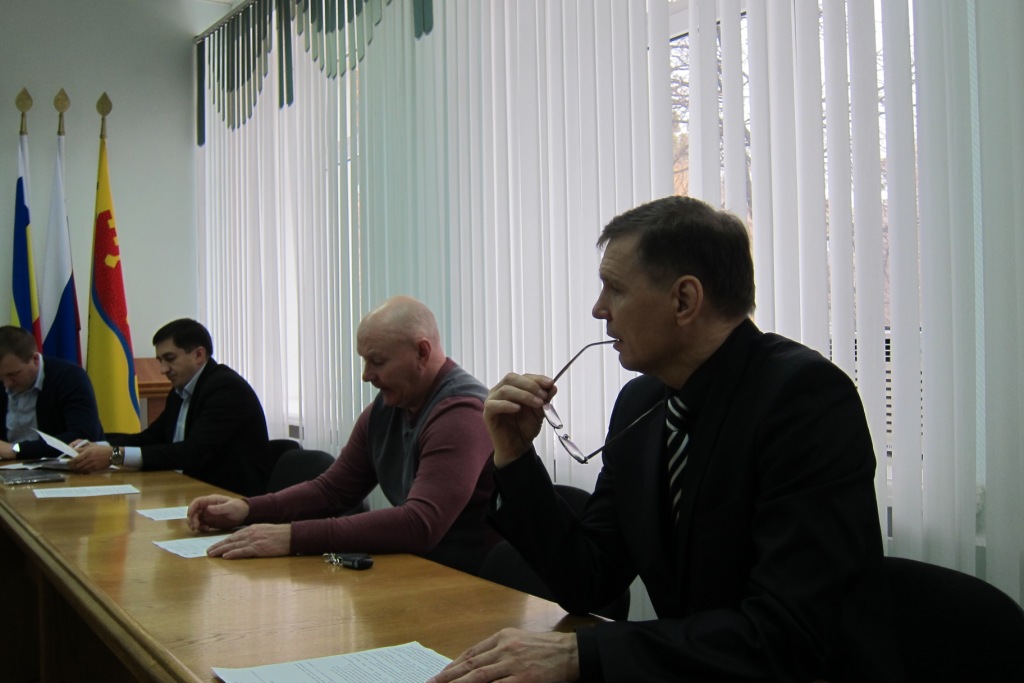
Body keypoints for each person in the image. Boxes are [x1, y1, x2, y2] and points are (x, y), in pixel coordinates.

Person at [431, 196, 902, 683]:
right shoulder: (642, 402)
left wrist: (582, 655)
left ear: (684, 301)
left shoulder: (804, 400)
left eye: (615, 289)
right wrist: (515, 457)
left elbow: (787, 634)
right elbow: (589, 580)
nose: (598, 309)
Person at [186, 295, 498, 575]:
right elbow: (332, 491)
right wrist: (247, 509)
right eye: (364, 361)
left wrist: (292, 537)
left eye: (377, 361)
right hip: (414, 568)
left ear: (422, 352)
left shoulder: (461, 413)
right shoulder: (389, 406)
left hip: (468, 583)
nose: (366, 375)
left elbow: (420, 524)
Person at [70, 318, 270, 497]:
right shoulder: (180, 391)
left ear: (199, 355)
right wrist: (98, 445)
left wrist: (115, 455)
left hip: (229, 497)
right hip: (188, 491)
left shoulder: (226, 389)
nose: (163, 369)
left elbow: (192, 452)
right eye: (160, 361)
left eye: (170, 359)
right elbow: (151, 438)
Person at [0, 325, 103, 460]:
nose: (7, 384)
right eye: (1, 377)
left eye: (13, 375)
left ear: (35, 359)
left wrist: (16, 449)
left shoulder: (70, 378)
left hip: (68, 466)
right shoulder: (4, 381)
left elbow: (83, 437)